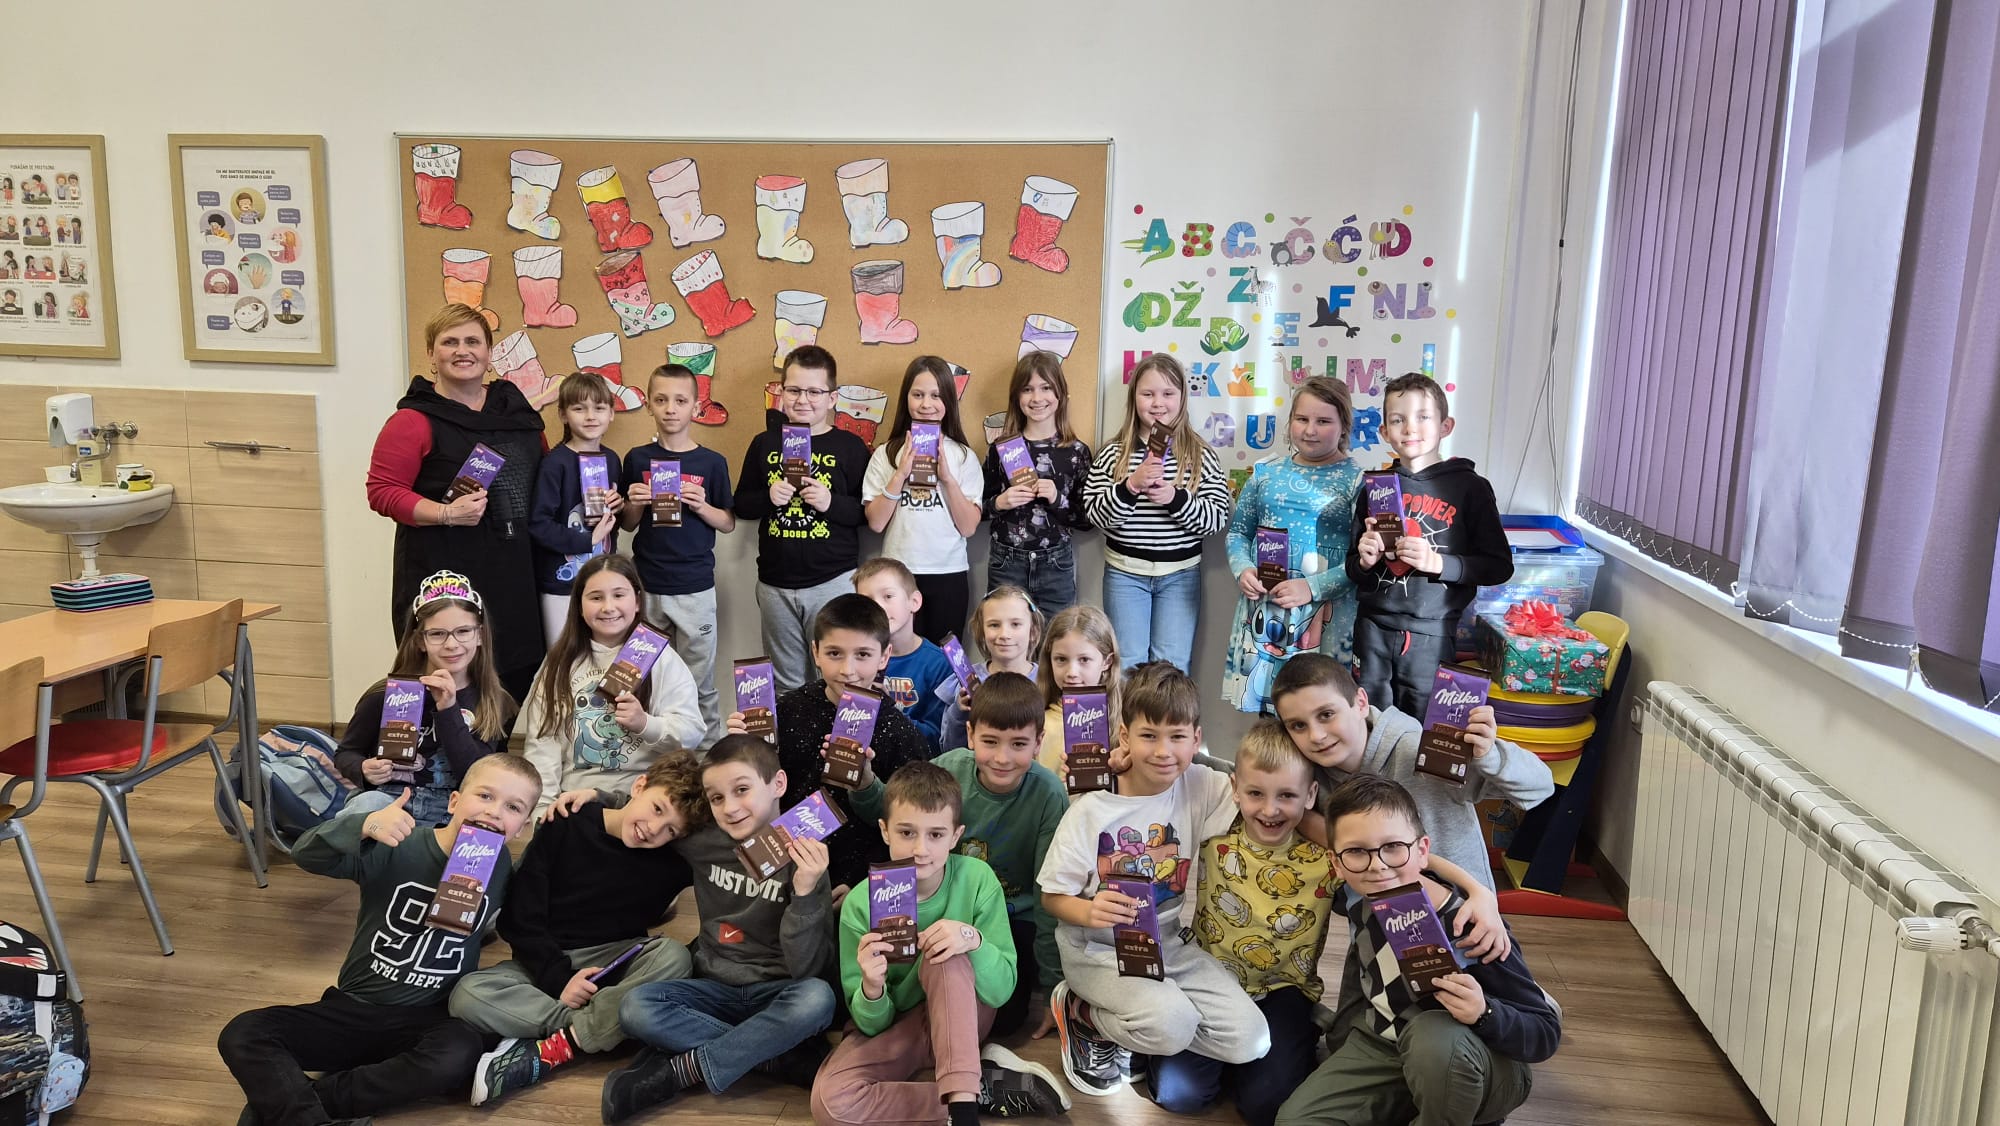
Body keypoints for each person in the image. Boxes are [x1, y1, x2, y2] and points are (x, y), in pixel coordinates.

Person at [216, 754, 543, 1126]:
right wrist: (364, 824)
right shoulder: (396, 845)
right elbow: (307, 854)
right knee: (244, 1032)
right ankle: (303, 1114)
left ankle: (289, 1107)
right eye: (484, 796)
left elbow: (539, 914)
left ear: (522, 827)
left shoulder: (502, 872)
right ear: (454, 801)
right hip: (353, 1008)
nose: (494, 812)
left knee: (459, 1052)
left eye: (513, 807)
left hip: (428, 1018)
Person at [1036, 662, 1267, 1097]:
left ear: (1196, 739)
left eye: (1177, 737)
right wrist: (1089, 910)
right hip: (1097, 951)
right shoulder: (1091, 807)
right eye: (1148, 736)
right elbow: (1052, 896)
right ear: (1124, 736)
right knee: (1171, 1026)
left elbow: (1254, 778)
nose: (1163, 751)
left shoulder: (1200, 784)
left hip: (1167, 944)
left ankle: (1150, 1022)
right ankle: (1083, 1013)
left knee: (1251, 1040)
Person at [1274, 775, 1560, 1126]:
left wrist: (1484, 1012)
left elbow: (1545, 1032)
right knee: (1294, 1120)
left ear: (1422, 850)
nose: (1377, 865)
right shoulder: (1363, 903)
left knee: (1432, 1038)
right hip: (1386, 1049)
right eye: (1357, 852)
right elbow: (1364, 982)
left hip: (1480, 1059)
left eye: (1393, 847)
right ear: (1337, 863)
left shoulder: (1473, 926)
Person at [811, 762, 1070, 1126]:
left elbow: (999, 991)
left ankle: (963, 1111)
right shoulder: (860, 903)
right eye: (906, 832)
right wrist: (871, 988)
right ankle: (983, 1090)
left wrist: (972, 940)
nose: (920, 848)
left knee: (945, 953)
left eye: (935, 834)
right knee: (831, 1101)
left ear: (955, 836)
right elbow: (871, 1025)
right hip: (901, 1029)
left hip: (962, 1017)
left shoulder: (977, 879)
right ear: (885, 831)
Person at [602, 736, 840, 1122]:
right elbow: (647, 813)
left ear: (778, 784)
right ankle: (773, 1054)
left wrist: (805, 893)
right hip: (711, 986)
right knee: (635, 1008)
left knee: (817, 999)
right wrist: (596, 798)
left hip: (778, 990)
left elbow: (808, 969)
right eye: (716, 798)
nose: (729, 808)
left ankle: (681, 1071)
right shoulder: (702, 840)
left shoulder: (807, 859)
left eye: (742, 790)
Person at [456, 752, 707, 1105]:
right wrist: (559, 979)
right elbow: (519, 916)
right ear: (639, 785)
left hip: (615, 962)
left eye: (671, 830)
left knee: (674, 956)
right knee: (467, 994)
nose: (655, 829)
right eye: (657, 809)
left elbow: (730, 838)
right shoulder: (567, 822)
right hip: (544, 962)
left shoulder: (673, 860)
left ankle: (563, 1042)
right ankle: (600, 1029)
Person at [847, 672, 1065, 1041]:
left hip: (1012, 917)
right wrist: (864, 779)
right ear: (970, 735)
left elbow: (1047, 895)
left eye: (1018, 744)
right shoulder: (950, 768)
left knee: (1006, 1018)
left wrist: (1051, 991)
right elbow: (897, 814)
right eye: (990, 742)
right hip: (948, 901)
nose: (1002, 758)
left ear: (1038, 743)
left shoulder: (1048, 794)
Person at [367, 303, 547, 703]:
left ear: (489, 352)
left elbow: (545, 478)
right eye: (450, 342)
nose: (462, 351)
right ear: (431, 354)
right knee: (443, 681)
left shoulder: (517, 413)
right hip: (443, 573)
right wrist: (446, 513)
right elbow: (382, 491)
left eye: (472, 341)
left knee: (510, 681)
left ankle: (493, 746)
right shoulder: (413, 421)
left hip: (514, 576)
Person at [1156, 720, 1331, 1126]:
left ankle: (1287, 1044)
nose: (1269, 810)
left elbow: (1387, 847)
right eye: (1255, 794)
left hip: (1284, 988)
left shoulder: (1330, 857)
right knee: (1178, 1094)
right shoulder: (1214, 826)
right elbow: (1176, 764)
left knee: (1265, 1107)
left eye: (1286, 795)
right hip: (1209, 978)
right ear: (1235, 788)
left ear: (1310, 795)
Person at [1270, 653, 1553, 889]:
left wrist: (1489, 754)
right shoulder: (1307, 777)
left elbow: (1540, 787)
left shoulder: (1421, 751)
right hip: (1378, 919)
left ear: (1360, 703)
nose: (1316, 736)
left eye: (1326, 715)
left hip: (1464, 914)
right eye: (1298, 725)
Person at [726, 593, 932, 893]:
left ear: (884, 656)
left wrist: (860, 884)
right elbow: (758, 788)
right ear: (816, 652)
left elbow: (911, 824)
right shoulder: (787, 710)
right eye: (835, 653)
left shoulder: (901, 733)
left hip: (860, 878)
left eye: (863, 654)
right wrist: (742, 751)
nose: (848, 669)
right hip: (786, 867)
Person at [1346, 373, 1512, 715]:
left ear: (1445, 426)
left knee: (1423, 725)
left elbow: (1499, 566)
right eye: (1398, 420)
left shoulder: (1470, 488)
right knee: (1367, 721)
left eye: (1423, 417)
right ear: (1384, 432)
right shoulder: (1374, 487)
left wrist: (1438, 564)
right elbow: (1352, 568)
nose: (1410, 428)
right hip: (1371, 629)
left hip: (1431, 635)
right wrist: (1363, 561)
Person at [520, 553, 703, 820]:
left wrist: (645, 723)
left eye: (619, 595)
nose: (608, 607)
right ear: (579, 605)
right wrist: (542, 811)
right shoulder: (559, 663)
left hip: (644, 801)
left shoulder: (662, 658)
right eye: (596, 597)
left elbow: (692, 733)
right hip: (575, 802)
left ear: (637, 601)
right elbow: (543, 744)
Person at [734, 345, 871, 693]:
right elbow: (741, 505)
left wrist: (830, 502)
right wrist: (768, 497)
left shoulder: (851, 447)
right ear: (781, 392)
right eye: (793, 390)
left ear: (832, 397)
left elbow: (867, 514)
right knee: (786, 683)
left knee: (839, 678)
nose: (802, 400)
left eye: (814, 391)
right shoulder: (764, 443)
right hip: (775, 583)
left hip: (833, 580)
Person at [1224, 375, 1365, 714]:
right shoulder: (1266, 473)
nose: (1310, 430)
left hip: (1324, 615)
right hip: (1266, 606)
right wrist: (1243, 568)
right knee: (1269, 703)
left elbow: (1362, 561)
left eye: (1324, 422)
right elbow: (1238, 533)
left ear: (1344, 427)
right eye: (1302, 419)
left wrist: (1311, 588)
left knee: (1320, 708)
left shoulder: (1357, 481)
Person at [332, 570, 515, 827]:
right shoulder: (385, 695)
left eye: (463, 631)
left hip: (452, 807)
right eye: (437, 634)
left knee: (487, 833)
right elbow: (346, 753)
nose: (451, 644)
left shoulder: (493, 701)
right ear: (420, 641)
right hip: (389, 799)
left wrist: (448, 709)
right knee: (362, 810)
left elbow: (474, 775)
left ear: (480, 635)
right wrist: (362, 769)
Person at [1083, 354, 1231, 672]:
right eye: (1147, 394)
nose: (1157, 403)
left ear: (1182, 398)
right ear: (1134, 398)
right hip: (1124, 574)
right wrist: (1130, 486)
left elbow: (1216, 518)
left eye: (1167, 394)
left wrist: (1174, 498)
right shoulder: (1113, 454)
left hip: (1180, 576)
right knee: (1126, 666)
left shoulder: (1200, 455)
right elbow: (1095, 515)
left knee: (1172, 667)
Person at [621, 362, 737, 745]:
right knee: (646, 677)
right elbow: (628, 525)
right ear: (649, 405)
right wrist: (634, 503)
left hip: (695, 588)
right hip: (646, 586)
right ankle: (652, 754)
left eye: (680, 401)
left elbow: (728, 523)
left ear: (696, 407)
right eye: (661, 400)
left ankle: (708, 755)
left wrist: (703, 506)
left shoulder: (712, 462)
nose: (670, 409)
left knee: (698, 680)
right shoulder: (637, 458)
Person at [863, 356, 985, 642]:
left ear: (949, 401)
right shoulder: (886, 454)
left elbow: (968, 527)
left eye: (936, 396)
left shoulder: (963, 456)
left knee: (946, 658)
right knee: (894, 655)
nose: (926, 404)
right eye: (917, 395)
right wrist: (900, 474)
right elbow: (876, 523)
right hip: (897, 574)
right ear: (906, 398)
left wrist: (947, 479)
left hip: (948, 572)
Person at [983, 350, 1093, 616]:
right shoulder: (1001, 449)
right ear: (1016, 397)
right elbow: (976, 508)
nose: (1037, 398)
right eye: (1027, 389)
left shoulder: (1076, 451)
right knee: (1004, 636)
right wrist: (1000, 502)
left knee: (1056, 638)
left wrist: (1057, 499)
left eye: (1046, 388)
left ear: (1060, 394)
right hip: (1006, 561)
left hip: (1056, 564)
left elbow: (1088, 520)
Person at [529, 372, 625, 646]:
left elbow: (612, 521)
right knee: (562, 655)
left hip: (602, 580)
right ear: (563, 414)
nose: (590, 416)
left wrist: (618, 506)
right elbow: (538, 524)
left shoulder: (611, 459)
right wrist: (587, 539)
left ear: (611, 413)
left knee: (602, 653)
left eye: (599, 408)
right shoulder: (554, 463)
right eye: (579, 409)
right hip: (561, 584)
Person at [855, 556, 952, 751]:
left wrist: (888, 710)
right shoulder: (855, 658)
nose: (878, 607)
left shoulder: (938, 664)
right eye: (867, 601)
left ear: (914, 601)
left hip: (914, 761)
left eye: (888, 596)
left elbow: (938, 739)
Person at [937, 586, 1043, 755]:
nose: (1004, 634)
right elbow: (948, 750)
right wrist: (959, 712)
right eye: (994, 625)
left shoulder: (1046, 681)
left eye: (1015, 624)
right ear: (982, 631)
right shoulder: (964, 682)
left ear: (1033, 631)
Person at [1033, 605, 1122, 781]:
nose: (1072, 672)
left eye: (1084, 660)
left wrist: (1119, 773)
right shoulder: (1039, 720)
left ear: (1107, 662)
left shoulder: (1123, 721)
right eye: (1061, 659)